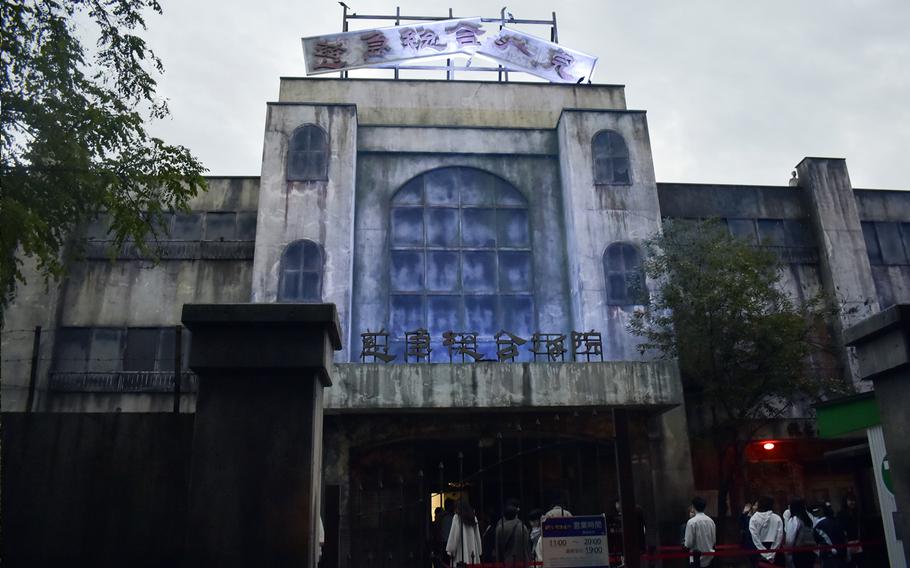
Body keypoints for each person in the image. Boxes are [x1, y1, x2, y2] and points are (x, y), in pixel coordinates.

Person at [533, 490, 572, 561]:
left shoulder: (548, 514)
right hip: (567, 540)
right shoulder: (567, 513)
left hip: (551, 542)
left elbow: (543, 529)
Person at [446, 498, 483, 566]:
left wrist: (450, 551)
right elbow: (477, 536)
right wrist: (479, 551)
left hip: (460, 553)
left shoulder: (457, 518)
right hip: (473, 551)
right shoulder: (473, 517)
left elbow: (454, 536)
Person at [749, 496, 783, 567]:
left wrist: (764, 553)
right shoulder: (777, 518)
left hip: (760, 548)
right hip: (776, 549)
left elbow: (755, 538)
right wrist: (773, 552)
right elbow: (779, 537)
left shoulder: (753, 519)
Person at [495, 498, 531, 564]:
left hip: (506, 562)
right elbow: (526, 547)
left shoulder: (500, 527)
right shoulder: (522, 527)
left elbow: (498, 548)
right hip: (520, 562)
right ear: (516, 513)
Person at [684, 496, 716, 567]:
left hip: (696, 558)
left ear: (693, 506)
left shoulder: (691, 522)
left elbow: (688, 543)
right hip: (709, 557)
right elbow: (713, 541)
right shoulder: (711, 521)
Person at [812, 503, 847, 568]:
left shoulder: (818, 526)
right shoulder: (834, 521)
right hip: (841, 554)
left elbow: (816, 542)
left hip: (829, 556)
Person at [785, 498, 816, 568]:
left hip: (799, 552)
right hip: (810, 551)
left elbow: (790, 539)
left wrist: (788, 552)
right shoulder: (808, 519)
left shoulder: (794, 519)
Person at [836, 494, 863, 567]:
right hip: (847, 543)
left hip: (858, 541)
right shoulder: (841, 514)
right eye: (850, 500)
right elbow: (840, 529)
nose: (853, 502)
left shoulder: (857, 513)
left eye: (854, 500)